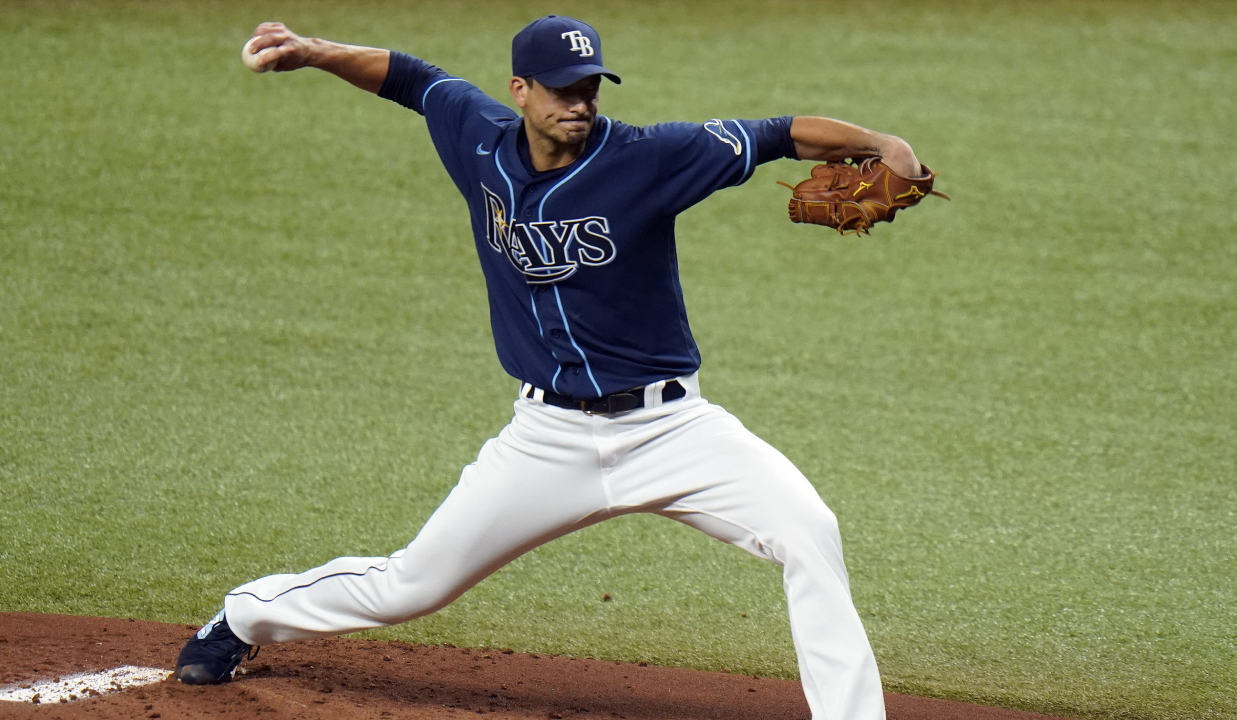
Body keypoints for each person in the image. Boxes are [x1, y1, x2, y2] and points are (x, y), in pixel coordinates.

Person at [176, 15, 928, 720]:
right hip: (546, 440)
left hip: (673, 430)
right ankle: (245, 615)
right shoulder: (477, 139)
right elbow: (411, 78)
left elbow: (778, 134)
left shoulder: (649, 157)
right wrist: (313, 51)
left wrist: (882, 142)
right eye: (564, 89)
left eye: (590, 86)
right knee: (411, 585)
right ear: (520, 90)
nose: (580, 102)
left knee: (808, 530)